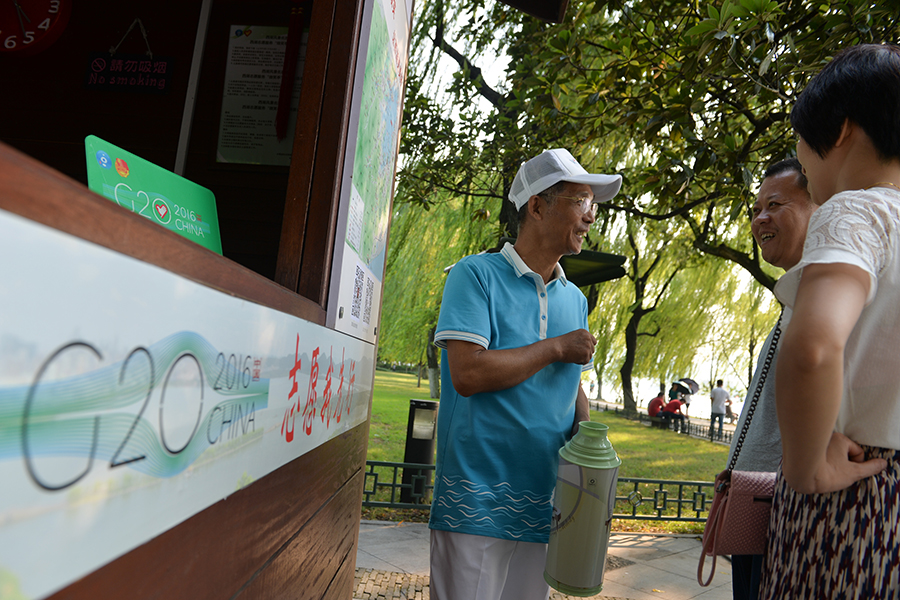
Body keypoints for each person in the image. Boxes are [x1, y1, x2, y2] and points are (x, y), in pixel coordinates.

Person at [428, 148, 622, 600]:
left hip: (546, 502)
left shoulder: (575, 299)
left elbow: (572, 386)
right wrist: (556, 347)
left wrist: (590, 439)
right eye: (580, 201)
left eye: (593, 205)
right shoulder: (474, 275)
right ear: (537, 205)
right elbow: (468, 373)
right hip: (475, 499)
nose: (591, 216)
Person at [760, 44, 900, 599]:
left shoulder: (855, 210)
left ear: (838, 130)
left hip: (847, 501)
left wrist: (807, 468)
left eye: (800, 141)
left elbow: (814, 348)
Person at [724, 157, 818, 600]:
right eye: (756, 208)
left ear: (819, 207)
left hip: (785, 512)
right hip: (755, 506)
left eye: (775, 204)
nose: (760, 218)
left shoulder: (827, 301)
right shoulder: (794, 301)